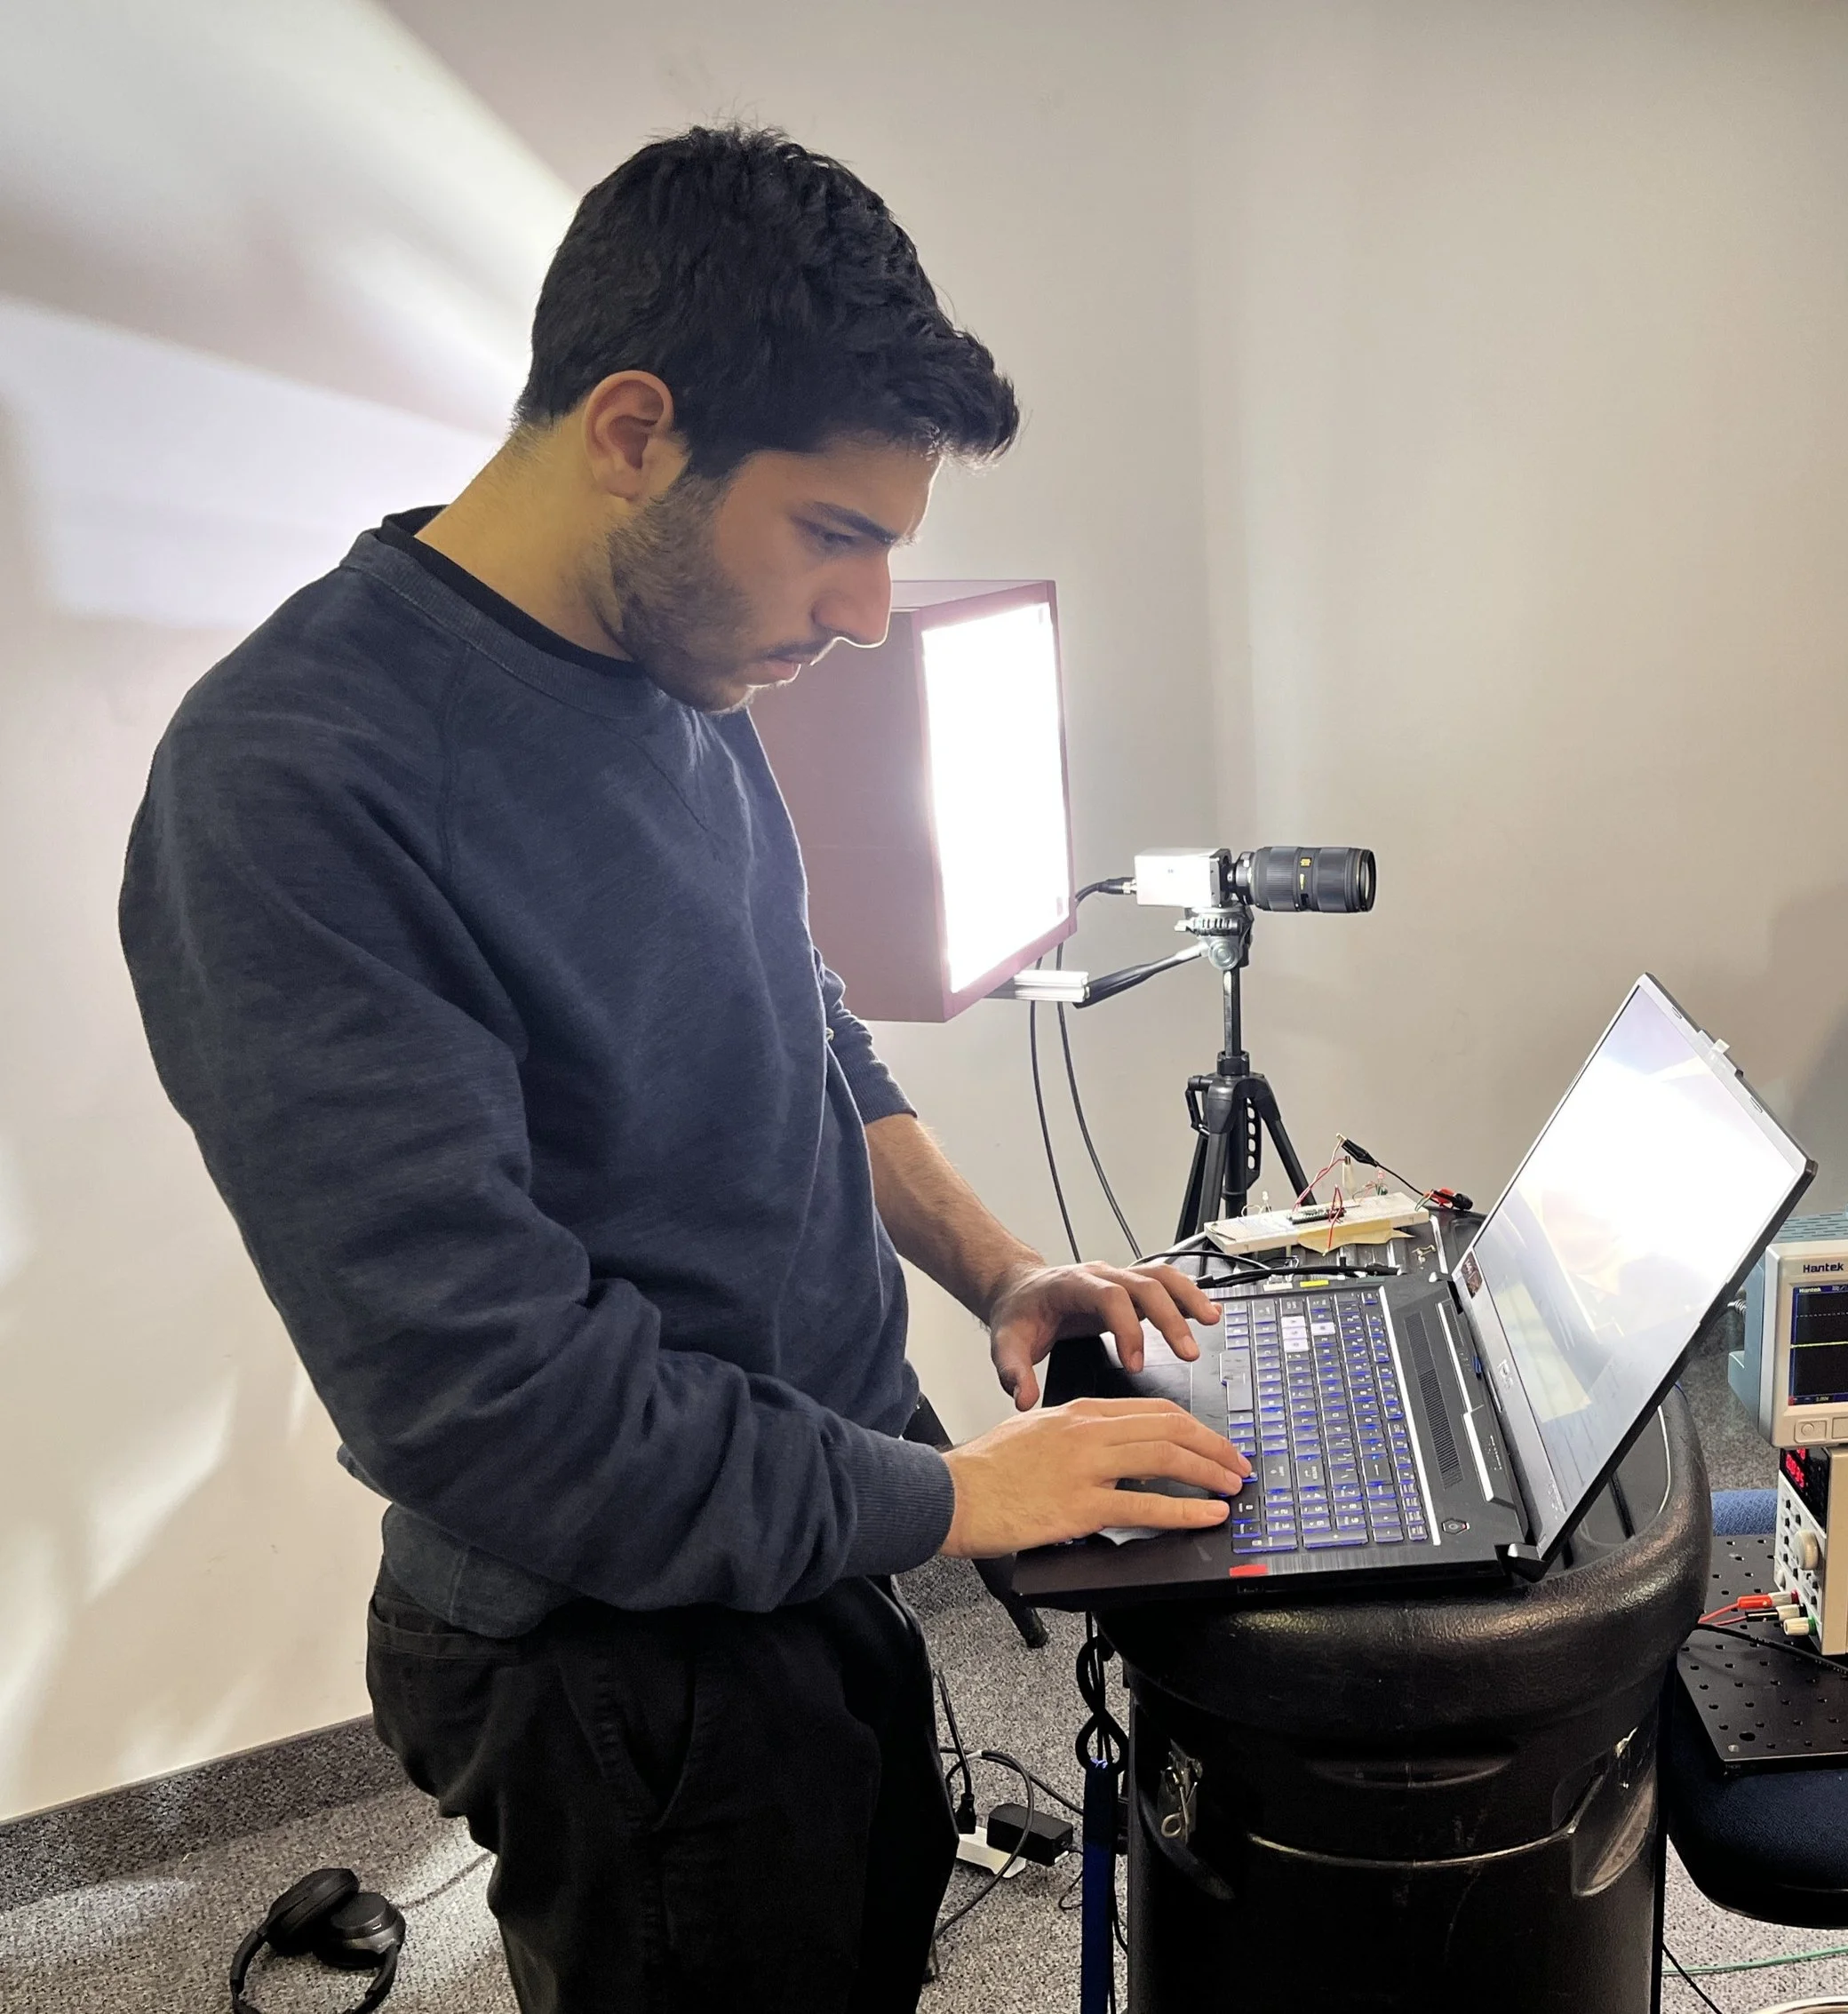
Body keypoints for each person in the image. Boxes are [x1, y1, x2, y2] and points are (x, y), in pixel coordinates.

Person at [118, 124, 1248, 2012]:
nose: (867, 614)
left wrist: (996, 1268)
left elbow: (788, 1014)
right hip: (618, 1664)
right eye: (835, 534)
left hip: (815, 1542)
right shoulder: (294, 784)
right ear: (633, 429)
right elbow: (497, 1405)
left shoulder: (675, 662)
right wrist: (974, 1499)